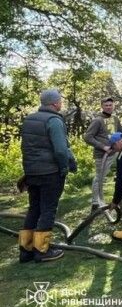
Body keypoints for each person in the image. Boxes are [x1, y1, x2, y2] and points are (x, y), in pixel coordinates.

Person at [17, 89, 76, 263]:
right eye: (60, 101)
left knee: (34, 208)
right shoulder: (54, 120)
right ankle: (42, 251)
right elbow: (60, 149)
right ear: (55, 103)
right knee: (48, 209)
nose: (61, 104)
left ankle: (25, 250)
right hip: (50, 172)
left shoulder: (29, 120)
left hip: (32, 172)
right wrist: (65, 167)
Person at [84, 96, 122, 212]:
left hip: (114, 152)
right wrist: (103, 146)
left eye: (110, 105)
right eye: (106, 105)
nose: (108, 107)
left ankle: (120, 200)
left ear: (113, 106)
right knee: (99, 178)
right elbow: (87, 137)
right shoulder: (97, 120)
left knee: (120, 174)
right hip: (102, 155)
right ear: (102, 106)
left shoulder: (115, 119)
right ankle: (95, 203)